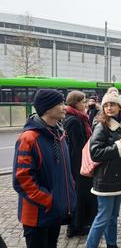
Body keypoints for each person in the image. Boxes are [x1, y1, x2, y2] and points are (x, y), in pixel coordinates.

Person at [12, 89, 76, 248]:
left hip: (53, 212)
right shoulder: (29, 138)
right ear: (47, 108)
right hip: (37, 217)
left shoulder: (59, 132)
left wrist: (69, 191)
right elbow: (22, 180)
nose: (65, 107)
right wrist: (49, 200)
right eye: (60, 103)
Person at [86, 89, 121, 248]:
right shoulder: (102, 126)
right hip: (106, 180)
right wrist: (118, 146)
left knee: (113, 217)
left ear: (119, 107)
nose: (109, 108)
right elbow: (95, 153)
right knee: (103, 218)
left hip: (119, 178)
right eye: (106, 105)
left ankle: (112, 245)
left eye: (112, 104)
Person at [63, 91, 97, 237]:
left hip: (78, 164)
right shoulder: (75, 121)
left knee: (81, 195)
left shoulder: (77, 118)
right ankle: (76, 226)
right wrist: (84, 167)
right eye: (83, 101)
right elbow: (77, 148)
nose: (86, 104)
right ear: (76, 103)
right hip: (79, 165)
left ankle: (79, 224)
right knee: (80, 195)